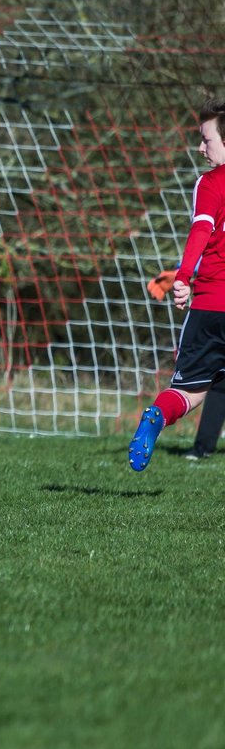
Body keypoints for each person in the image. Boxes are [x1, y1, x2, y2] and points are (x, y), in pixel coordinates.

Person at [129, 98, 225, 471]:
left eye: (207, 140)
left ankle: (156, 415)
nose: (201, 148)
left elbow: (201, 230)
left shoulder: (211, 182)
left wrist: (183, 277)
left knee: (189, 388)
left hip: (210, 305)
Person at [146, 268, 225, 460]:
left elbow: (205, 250)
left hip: (210, 308)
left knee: (198, 386)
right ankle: (203, 446)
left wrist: (180, 272)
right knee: (220, 380)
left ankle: (200, 447)